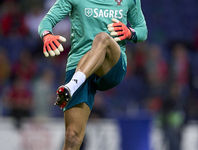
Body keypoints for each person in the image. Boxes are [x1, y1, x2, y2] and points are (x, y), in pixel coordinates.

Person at [38, 0, 147, 149]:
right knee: (72, 136)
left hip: (111, 65)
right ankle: (73, 85)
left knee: (102, 38)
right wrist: (47, 35)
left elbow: (142, 30)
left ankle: (72, 86)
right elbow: (47, 21)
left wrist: (130, 33)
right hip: (80, 63)